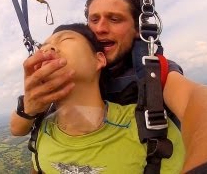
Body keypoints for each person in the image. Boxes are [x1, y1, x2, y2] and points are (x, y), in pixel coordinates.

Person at [10, 0, 207, 173]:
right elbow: (19, 128)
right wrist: (29, 107)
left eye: (115, 19)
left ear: (136, 30)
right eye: (94, 19)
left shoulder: (149, 71)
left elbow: (198, 102)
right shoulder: (63, 82)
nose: (100, 28)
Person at [19, 23, 185, 173]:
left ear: (99, 59)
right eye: (43, 47)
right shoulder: (42, 129)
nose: (48, 50)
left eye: (66, 39)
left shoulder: (151, 132)